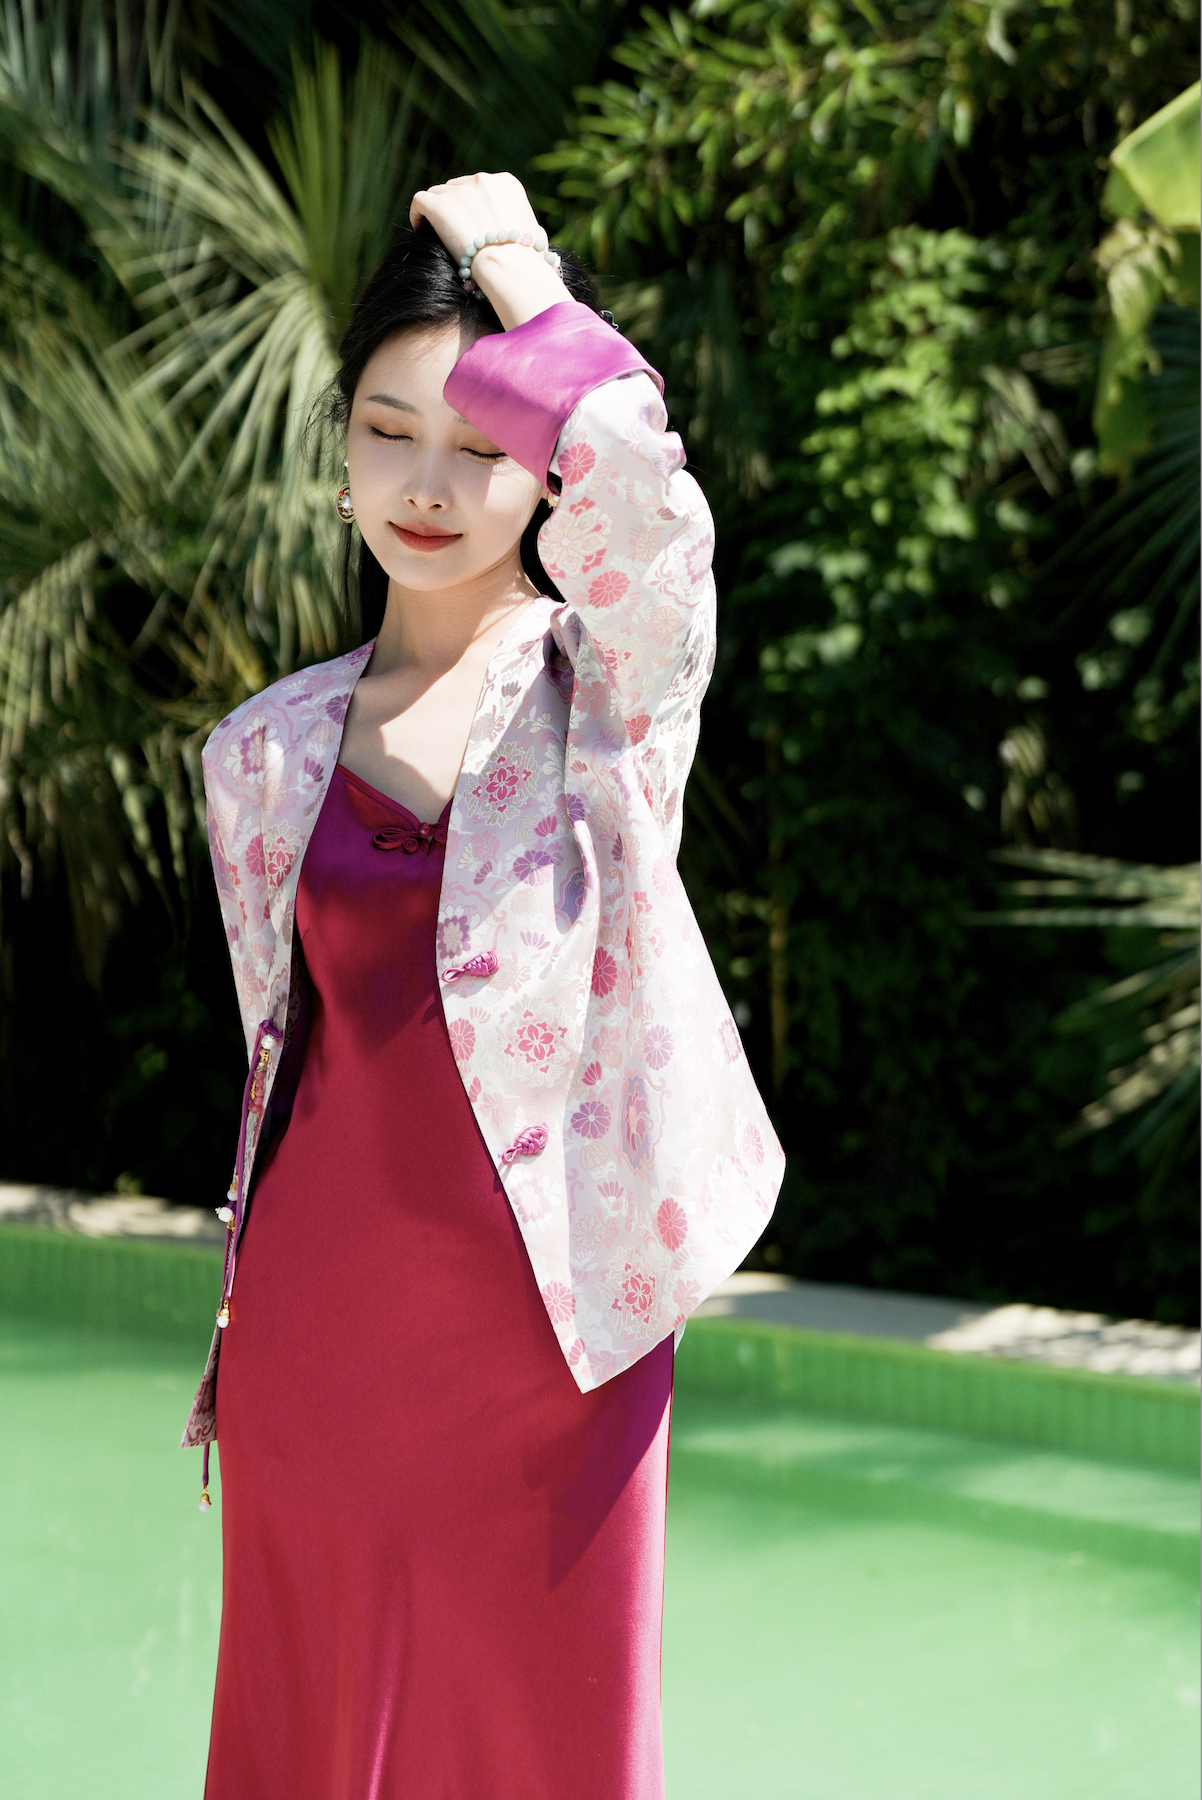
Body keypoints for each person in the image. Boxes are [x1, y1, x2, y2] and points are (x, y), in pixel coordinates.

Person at [184, 171, 783, 1800]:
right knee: (317, 1739)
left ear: (543, 472)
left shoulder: (609, 696)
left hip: (558, 1337)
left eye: (482, 445)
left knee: (549, 1741)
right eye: (389, 433)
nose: (429, 485)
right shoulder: (261, 754)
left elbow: (645, 496)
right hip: (319, 1333)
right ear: (339, 455)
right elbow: (289, 1066)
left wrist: (515, 268)